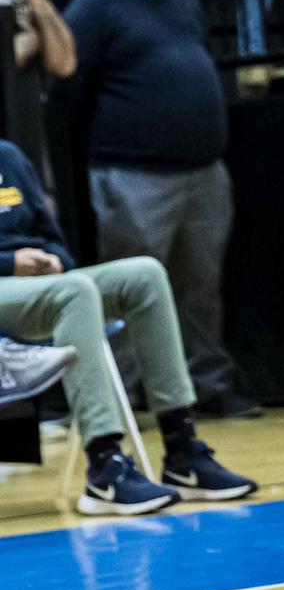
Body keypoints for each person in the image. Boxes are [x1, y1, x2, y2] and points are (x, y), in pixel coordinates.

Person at [58, 0, 258, 420]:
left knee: (201, 289)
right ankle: (119, 397)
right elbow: (69, 85)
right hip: (132, 173)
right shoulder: (93, 4)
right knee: (123, 291)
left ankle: (209, 388)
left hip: (204, 171)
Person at [0, 133, 257, 512]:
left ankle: (182, 450)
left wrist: (51, 260)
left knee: (144, 275)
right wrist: (10, 264)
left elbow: (50, 238)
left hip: (38, 286)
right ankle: (105, 466)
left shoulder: (8, 156)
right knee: (75, 291)